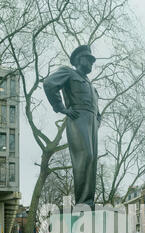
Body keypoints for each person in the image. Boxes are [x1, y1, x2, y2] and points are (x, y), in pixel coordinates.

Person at [43, 45, 101, 210]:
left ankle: (88, 201)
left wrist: (96, 123)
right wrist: (61, 108)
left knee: (92, 160)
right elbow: (49, 84)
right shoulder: (68, 72)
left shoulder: (92, 86)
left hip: (91, 124)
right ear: (79, 59)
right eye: (88, 59)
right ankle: (83, 202)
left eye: (92, 60)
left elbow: (98, 112)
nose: (91, 62)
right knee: (85, 156)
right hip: (77, 119)